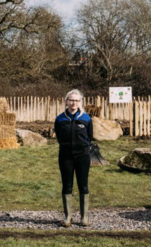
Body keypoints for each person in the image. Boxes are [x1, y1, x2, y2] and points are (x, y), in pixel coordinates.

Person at [54, 89, 93, 227]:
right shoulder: (60, 119)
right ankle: (68, 217)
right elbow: (58, 135)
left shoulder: (86, 118)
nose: (74, 103)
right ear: (66, 101)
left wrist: (83, 149)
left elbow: (89, 136)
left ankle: (84, 218)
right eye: (71, 100)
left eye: (76, 100)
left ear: (80, 102)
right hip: (65, 156)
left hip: (82, 156)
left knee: (83, 185)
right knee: (67, 185)